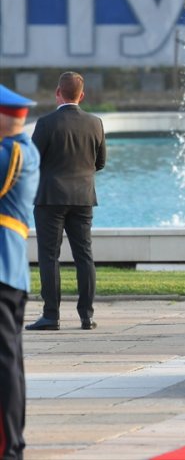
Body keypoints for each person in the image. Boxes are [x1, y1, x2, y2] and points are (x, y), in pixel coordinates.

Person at [28, 72, 106, 331]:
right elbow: (100, 163)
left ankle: (51, 316)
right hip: (83, 197)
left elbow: (32, 161)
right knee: (84, 255)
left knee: (49, 256)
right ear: (82, 95)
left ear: (57, 92)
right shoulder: (95, 123)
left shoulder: (46, 123)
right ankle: (87, 316)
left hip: (50, 198)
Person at [0, 85, 40, 460]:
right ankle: (12, 443)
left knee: (6, 361)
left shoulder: (9, 152)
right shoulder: (23, 150)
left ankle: (9, 446)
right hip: (9, 268)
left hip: (1, 269)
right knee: (10, 359)